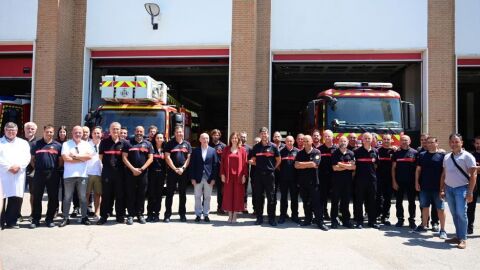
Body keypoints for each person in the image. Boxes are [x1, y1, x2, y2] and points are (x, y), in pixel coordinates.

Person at [441, 134, 477, 249]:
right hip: (449, 188)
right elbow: (444, 174)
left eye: (456, 142)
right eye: (452, 141)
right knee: (455, 213)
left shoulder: (468, 156)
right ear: (449, 143)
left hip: (462, 188)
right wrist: (442, 189)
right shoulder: (447, 157)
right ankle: (458, 235)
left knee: (461, 213)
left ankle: (463, 239)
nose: (454, 144)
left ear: (461, 142)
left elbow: (473, 175)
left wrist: (470, 192)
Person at [30, 124, 62, 228]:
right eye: (47, 131)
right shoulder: (36, 144)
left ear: (53, 133)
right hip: (39, 173)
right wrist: (39, 167)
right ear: (43, 132)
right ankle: (35, 219)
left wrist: (53, 168)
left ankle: (49, 219)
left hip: (53, 174)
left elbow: (60, 161)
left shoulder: (58, 145)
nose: (49, 133)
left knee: (53, 197)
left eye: (51, 132)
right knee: (37, 197)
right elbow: (32, 160)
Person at [414, 136, 447, 239]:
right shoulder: (422, 155)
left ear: (437, 143)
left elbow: (445, 173)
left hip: (438, 187)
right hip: (424, 186)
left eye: (432, 142)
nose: (430, 144)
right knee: (424, 207)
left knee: (440, 209)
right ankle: (423, 225)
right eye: (428, 143)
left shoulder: (442, 156)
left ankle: (442, 230)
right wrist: (416, 182)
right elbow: (418, 170)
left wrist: (443, 188)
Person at [60, 126, 93, 227]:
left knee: (83, 197)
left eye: (80, 132)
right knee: (67, 197)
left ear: (82, 133)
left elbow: (89, 157)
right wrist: (81, 159)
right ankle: (65, 218)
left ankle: (84, 217)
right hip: (69, 175)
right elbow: (66, 158)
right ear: (72, 133)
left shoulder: (86, 144)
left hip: (82, 175)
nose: (78, 134)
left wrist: (75, 156)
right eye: (76, 132)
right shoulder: (66, 144)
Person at [0, 122, 31, 229]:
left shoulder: (23, 143)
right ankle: (1, 221)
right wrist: (8, 167)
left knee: (15, 198)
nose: (11, 132)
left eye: (13, 130)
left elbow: (27, 157)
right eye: (8, 129)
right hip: (3, 174)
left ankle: (11, 221)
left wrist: (19, 166)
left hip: (18, 174)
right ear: (4, 130)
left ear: (17, 131)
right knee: (1, 199)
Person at [295, 135, 329, 231]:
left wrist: (302, 164)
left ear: (311, 142)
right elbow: (296, 165)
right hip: (303, 182)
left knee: (316, 203)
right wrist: (308, 164)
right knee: (306, 202)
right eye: (304, 141)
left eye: (307, 141)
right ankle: (307, 219)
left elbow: (315, 164)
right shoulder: (300, 153)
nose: (305, 142)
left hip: (314, 182)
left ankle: (319, 222)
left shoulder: (316, 152)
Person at [122, 126, 154, 225]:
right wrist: (133, 169)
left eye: (141, 131)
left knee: (141, 194)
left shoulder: (148, 144)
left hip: (143, 173)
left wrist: (142, 169)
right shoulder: (128, 143)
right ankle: (130, 215)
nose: (139, 133)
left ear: (143, 133)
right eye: (137, 131)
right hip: (130, 173)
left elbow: (150, 158)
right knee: (130, 194)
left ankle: (140, 214)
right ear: (134, 131)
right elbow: (124, 157)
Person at [97, 122, 127, 225]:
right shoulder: (104, 143)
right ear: (110, 130)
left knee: (120, 196)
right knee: (106, 196)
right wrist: (102, 171)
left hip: (120, 174)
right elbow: (100, 158)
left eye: (117, 129)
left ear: (120, 130)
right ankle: (103, 217)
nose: (115, 131)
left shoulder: (124, 143)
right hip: (107, 173)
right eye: (113, 129)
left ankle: (120, 217)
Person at [250, 127, 281, 226]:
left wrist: (272, 168)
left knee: (271, 197)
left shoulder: (273, 147)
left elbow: (278, 159)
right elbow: (253, 159)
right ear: (260, 135)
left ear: (268, 134)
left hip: (269, 175)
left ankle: (271, 218)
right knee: (259, 197)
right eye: (262, 133)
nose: (264, 135)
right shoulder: (256, 147)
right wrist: (257, 165)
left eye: (265, 133)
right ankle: (259, 218)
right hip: (258, 175)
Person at [164, 126, 192, 222]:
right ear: (174, 133)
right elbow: (167, 157)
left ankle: (182, 214)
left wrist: (183, 168)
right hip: (172, 172)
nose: (179, 133)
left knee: (183, 194)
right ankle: (167, 215)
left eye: (181, 132)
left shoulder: (187, 144)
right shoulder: (169, 144)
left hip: (183, 172)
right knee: (169, 194)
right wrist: (175, 169)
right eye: (177, 132)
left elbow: (188, 158)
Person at [190, 133, 218, 222]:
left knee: (207, 197)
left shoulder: (213, 151)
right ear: (200, 140)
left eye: (207, 138)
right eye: (203, 138)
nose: (205, 140)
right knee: (197, 196)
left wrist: (213, 178)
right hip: (198, 177)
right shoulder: (195, 151)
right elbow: (192, 165)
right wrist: (192, 178)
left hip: (209, 178)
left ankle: (206, 214)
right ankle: (198, 214)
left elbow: (215, 165)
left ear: (209, 140)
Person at [353, 132, 379, 229]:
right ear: (362, 140)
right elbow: (354, 166)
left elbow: (376, 165)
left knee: (372, 201)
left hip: (372, 181)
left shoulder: (375, 152)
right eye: (365, 138)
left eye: (369, 138)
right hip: (360, 180)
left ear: (372, 140)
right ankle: (359, 222)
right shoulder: (357, 152)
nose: (367, 140)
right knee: (359, 201)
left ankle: (372, 221)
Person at [392, 135, 418, 229]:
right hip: (399, 182)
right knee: (399, 202)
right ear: (400, 141)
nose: (404, 142)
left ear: (410, 141)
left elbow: (417, 170)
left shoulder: (415, 152)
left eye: (406, 140)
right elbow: (393, 168)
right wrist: (394, 182)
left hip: (411, 182)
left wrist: (416, 182)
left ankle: (412, 220)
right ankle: (400, 219)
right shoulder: (397, 153)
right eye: (402, 140)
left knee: (412, 202)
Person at [221, 132, 248, 223]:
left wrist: (244, 175)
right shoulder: (226, 149)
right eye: (233, 138)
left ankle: (235, 215)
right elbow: (222, 163)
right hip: (228, 176)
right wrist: (222, 174)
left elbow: (245, 164)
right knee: (228, 195)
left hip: (239, 176)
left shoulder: (243, 150)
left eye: (236, 138)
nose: (234, 139)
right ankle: (229, 215)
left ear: (238, 139)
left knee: (237, 195)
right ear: (230, 139)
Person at [331, 136, 355, 228]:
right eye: (341, 141)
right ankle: (334, 220)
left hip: (348, 182)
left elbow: (353, 167)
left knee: (346, 201)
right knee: (335, 202)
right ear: (338, 142)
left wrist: (340, 164)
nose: (343, 142)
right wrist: (347, 166)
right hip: (336, 182)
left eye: (345, 141)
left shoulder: (351, 153)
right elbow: (334, 168)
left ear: (347, 142)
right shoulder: (335, 153)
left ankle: (346, 220)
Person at [278, 135, 299, 224]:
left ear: (294, 141)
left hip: (294, 179)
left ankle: (294, 215)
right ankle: (283, 215)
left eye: (291, 141)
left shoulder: (298, 152)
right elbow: (278, 165)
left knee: (294, 198)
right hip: (284, 179)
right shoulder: (281, 151)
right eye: (287, 141)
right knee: (283, 198)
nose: (289, 143)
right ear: (285, 142)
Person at [146, 132, 166, 222]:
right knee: (151, 195)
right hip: (151, 174)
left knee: (158, 195)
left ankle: (156, 214)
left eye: (161, 138)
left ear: (163, 139)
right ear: (155, 139)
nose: (159, 139)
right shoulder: (151, 147)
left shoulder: (165, 149)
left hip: (161, 175)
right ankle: (149, 214)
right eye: (157, 138)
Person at [376, 134, 394, 226]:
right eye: (385, 139)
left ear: (391, 140)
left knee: (388, 199)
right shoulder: (377, 151)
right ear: (382, 140)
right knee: (378, 198)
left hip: (390, 179)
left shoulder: (394, 151)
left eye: (388, 139)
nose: (386, 141)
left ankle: (385, 217)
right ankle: (378, 215)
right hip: (378, 178)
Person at [318, 130, 337, 220]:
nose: (327, 138)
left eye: (329, 136)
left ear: (332, 137)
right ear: (323, 137)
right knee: (323, 197)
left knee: (335, 197)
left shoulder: (336, 149)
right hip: (323, 177)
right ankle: (323, 213)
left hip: (335, 177)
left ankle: (334, 215)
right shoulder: (319, 149)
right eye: (325, 136)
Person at [86, 126, 102, 221]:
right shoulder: (86, 145)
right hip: (88, 173)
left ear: (101, 134)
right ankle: (84, 214)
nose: (97, 134)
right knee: (86, 194)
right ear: (92, 134)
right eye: (95, 133)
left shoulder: (104, 144)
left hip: (99, 173)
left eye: (98, 133)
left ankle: (97, 213)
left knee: (98, 194)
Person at [209, 129, 226, 214]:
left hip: (219, 171)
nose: (216, 136)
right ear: (211, 135)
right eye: (214, 135)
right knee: (207, 190)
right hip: (209, 171)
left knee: (220, 191)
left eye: (217, 135)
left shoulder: (223, 146)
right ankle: (205, 207)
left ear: (219, 136)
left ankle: (220, 207)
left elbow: (226, 160)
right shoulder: (207, 144)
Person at [23, 121, 38, 219]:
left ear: (35, 131)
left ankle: (33, 214)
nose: (30, 130)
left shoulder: (38, 143)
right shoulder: (19, 142)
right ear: (24, 129)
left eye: (32, 129)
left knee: (33, 194)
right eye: (28, 128)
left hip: (33, 172)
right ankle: (17, 214)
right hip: (20, 172)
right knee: (18, 194)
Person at [467, 136, 480, 234]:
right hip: (474, 182)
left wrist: (475, 168)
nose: (478, 145)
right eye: (477, 143)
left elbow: (473, 169)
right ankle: (469, 227)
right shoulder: (471, 156)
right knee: (471, 206)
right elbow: (468, 169)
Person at [240, 131, 252, 213]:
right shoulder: (235, 147)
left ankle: (244, 206)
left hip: (245, 172)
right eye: (242, 136)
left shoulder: (249, 148)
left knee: (244, 190)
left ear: (246, 138)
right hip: (235, 172)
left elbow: (252, 160)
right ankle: (236, 206)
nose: (243, 138)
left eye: (244, 137)